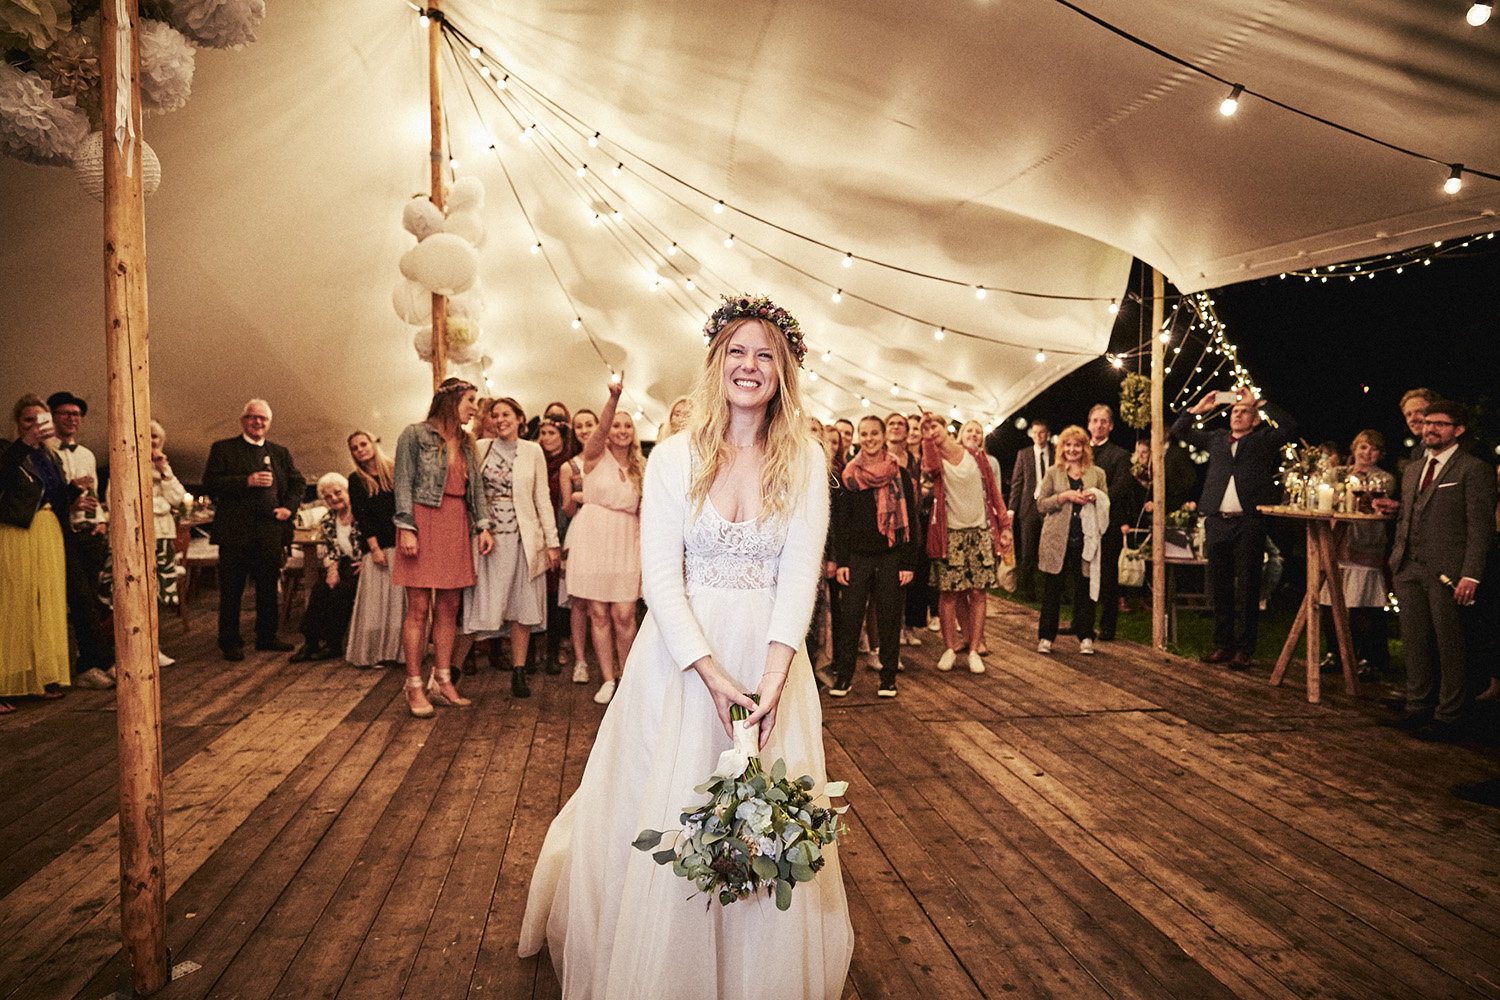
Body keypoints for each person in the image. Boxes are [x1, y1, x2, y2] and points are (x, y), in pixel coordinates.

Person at [519, 293, 852, 997]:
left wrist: (770, 684)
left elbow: (799, 579)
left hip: (771, 658)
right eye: (737, 351)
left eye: (765, 355)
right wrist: (710, 674)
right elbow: (662, 579)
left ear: (784, 371)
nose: (749, 366)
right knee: (668, 799)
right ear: (716, 361)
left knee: (765, 812)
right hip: (680, 658)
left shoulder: (804, 460)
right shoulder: (674, 456)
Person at [1378, 400, 1496, 741]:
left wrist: (1471, 574)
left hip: (1448, 571)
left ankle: (1449, 716)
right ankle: (1417, 707)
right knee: (1415, 642)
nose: (1430, 429)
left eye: (1440, 424)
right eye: (1428, 423)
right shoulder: (1413, 468)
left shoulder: (1473, 469)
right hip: (1408, 566)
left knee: (1450, 644)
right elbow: (1411, 515)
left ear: (1458, 430)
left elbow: (1480, 527)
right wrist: (1396, 557)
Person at [1172, 388, 1296, 669]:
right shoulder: (1216, 439)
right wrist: (1199, 408)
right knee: (1220, 585)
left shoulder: (1262, 440)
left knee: (1249, 585)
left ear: (1255, 419)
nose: (1237, 414)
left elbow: (1289, 427)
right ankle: (1223, 645)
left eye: (1244, 411)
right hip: (1217, 519)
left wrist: (1259, 401)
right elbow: (1180, 430)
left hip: (1248, 521)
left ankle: (1244, 648)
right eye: (1235, 411)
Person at [393, 378, 494, 717]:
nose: (474, 408)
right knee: (419, 608)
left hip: (455, 520)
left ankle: (443, 680)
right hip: (422, 519)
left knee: (449, 607)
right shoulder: (414, 435)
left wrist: (483, 525)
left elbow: (475, 487)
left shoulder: (466, 442)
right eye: (470, 400)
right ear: (451, 401)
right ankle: (413, 684)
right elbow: (402, 483)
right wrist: (406, 528)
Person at [458, 397, 561, 698]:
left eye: (506, 414)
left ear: (520, 419)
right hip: (487, 539)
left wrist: (552, 542)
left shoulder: (533, 451)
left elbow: (541, 497)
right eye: (495, 415)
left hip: (523, 539)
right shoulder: (480, 448)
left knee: (522, 604)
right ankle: (451, 672)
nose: (500, 419)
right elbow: (470, 492)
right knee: (480, 603)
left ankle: (518, 672)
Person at [203, 399, 305, 661]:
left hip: (269, 531)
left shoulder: (280, 452)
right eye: (252, 417)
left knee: (268, 586)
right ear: (243, 420)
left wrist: (288, 509)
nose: (258, 422)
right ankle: (229, 641)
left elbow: (298, 483)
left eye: (263, 418)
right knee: (232, 589)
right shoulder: (223, 449)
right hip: (234, 532)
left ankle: (267, 636)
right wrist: (246, 481)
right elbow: (210, 484)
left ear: (269, 423)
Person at [564, 379, 644, 705]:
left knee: (624, 613)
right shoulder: (595, 457)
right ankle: (609, 679)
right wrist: (614, 399)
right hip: (593, 537)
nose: (621, 430)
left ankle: (628, 677)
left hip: (627, 539)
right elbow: (598, 433)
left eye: (628, 426)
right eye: (616, 425)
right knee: (598, 613)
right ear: (607, 430)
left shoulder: (642, 466)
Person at [828, 415, 917, 698]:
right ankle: (844, 678)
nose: (869, 439)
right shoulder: (849, 475)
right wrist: (842, 561)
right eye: (864, 434)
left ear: (883, 436)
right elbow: (842, 523)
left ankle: (888, 678)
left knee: (889, 618)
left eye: (874, 433)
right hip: (857, 557)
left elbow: (911, 520)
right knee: (851, 618)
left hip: (891, 555)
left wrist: (907, 562)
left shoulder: (900, 474)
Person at [921, 410, 1011, 675]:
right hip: (950, 534)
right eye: (928, 429)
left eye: (936, 427)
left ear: (947, 428)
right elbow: (929, 467)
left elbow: (994, 492)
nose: (933, 432)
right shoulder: (936, 461)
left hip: (980, 532)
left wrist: (1004, 527)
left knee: (978, 592)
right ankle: (949, 648)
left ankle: (973, 649)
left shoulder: (977, 457)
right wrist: (926, 439)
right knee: (949, 593)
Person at [0, 395, 72, 712]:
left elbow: (52, 494)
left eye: (40, 420)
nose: (34, 426)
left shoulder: (50, 455)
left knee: (45, 607)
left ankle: (37, 678)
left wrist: (76, 494)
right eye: (28, 420)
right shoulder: (8, 450)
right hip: (17, 532)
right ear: (18, 424)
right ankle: (3, 684)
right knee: (14, 606)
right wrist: (24, 443)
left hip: (47, 530)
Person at [47, 391, 114, 689]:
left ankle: (90, 662)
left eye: (77, 414)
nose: (72, 419)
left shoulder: (87, 454)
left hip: (90, 535)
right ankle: (95, 662)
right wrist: (70, 504)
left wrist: (100, 522)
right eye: (66, 413)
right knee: (81, 601)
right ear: (52, 417)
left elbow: (95, 494)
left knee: (90, 600)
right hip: (63, 535)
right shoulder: (47, 454)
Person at [1319, 430, 1394, 679]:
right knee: (1330, 599)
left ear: (1380, 454)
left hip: (1365, 543)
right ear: (1354, 449)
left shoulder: (1383, 479)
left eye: (1373, 449)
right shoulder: (1337, 474)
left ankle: (1369, 656)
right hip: (1336, 542)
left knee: (1363, 600)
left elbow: (1372, 504)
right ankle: (1335, 652)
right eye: (1363, 447)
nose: (1367, 453)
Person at [1035, 425, 1110, 654]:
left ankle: (1086, 636)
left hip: (1086, 539)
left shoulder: (1097, 473)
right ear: (1062, 448)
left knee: (1085, 588)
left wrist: (1095, 497)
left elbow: (1106, 503)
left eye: (1077, 445)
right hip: (1056, 539)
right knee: (1053, 589)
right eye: (1068, 445)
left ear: (1084, 448)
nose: (1072, 449)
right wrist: (1063, 496)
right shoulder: (1053, 472)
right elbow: (1041, 504)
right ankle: (1046, 637)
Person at [345, 430, 405, 667]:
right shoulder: (355, 480)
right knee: (376, 603)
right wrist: (374, 548)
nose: (360, 450)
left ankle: (400, 652)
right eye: (355, 448)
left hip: (402, 542)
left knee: (400, 602)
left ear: (373, 443)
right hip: (378, 547)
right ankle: (374, 653)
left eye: (363, 444)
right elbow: (362, 516)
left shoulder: (395, 470)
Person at [291, 473, 363, 662]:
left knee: (342, 591)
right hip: (344, 562)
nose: (334, 499)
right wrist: (332, 570)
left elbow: (377, 540)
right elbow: (333, 552)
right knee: (321, 588)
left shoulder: (362, 513)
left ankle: (333, 644)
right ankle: (310, 641)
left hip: (367, 563)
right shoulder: (328, 520)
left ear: (347, 491)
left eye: (337, 493)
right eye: (328, 497)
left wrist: (367, 562)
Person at [1086, 405, 1133, 641]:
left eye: (1103, 421)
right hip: (1082, 522)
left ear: (1111, 426)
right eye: (1095, 421)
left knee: (1107, 575)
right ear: (1089, 424)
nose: (1099, 425)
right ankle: (1081, 623)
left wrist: (1095, 498)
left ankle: (1107, 626)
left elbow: (1121, 487)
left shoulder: (1119, 455)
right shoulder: (1080, 451)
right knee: (1083, 573)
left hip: (1108, 522)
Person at [538, 415, 578, 674]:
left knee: (556, 594)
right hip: (538, 530)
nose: (546, 438)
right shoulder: (535, 459)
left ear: (563, 437)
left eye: (551, 433)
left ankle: (555, 648)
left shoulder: (569, 464)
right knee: (536, 590)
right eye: (542, 433)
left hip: (561, 528)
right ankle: (533, 648)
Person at [563, 408, 599, 683]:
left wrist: (586, 494)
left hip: (608, 530)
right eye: (579, 426)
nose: (584, 430)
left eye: (589, 425)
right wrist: (574, 497)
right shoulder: (569, 467)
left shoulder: (609, 459)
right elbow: (567, 509)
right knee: (579, 600)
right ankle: (580, 660)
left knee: (606, 600)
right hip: (579, 529)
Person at [887, 411, 927, 648]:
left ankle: (907, 627)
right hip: (887, 527)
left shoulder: (913, 461)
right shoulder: (880, 456)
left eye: (900, 424)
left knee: (909, 580)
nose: (896, 427)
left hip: (911, 524)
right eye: (891, 423)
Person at [147, 420, 185, 630]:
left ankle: (155, 637)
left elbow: (177, 498)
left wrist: (164, 470)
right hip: (139, 536)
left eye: (155, 436)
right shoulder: (127, 464)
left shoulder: (164, 468)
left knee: (159, 588)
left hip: (162, 535)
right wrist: (162, 505)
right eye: (147, 435)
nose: (151, 441)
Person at [1008, 419, 1051, 601]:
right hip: (1029, 507)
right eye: (1035, 433)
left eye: (1041, 432)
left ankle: (1053, 590)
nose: (1038, 436)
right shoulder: (1024, 454)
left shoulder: (1055, 454)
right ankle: (1026, 590)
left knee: (1050, 549)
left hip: (1050, 505)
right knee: (1028, 550)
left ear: (1047, 434)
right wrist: (1012, 509)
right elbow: (1017, 482)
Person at [1397, 387, 1438, 476]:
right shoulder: (1416, 453)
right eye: (1408, 414)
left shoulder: (1461, 449)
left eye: (1419, 412)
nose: (1412, 419)